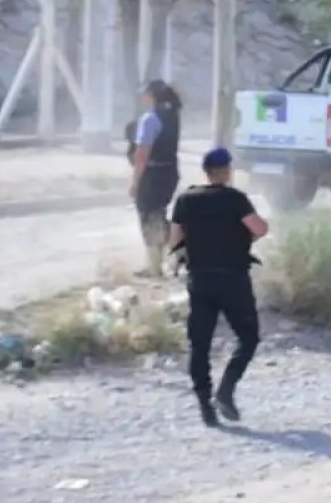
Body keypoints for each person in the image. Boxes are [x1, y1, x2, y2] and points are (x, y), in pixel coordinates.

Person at [169, 147, 269, 427]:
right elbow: (259, 229)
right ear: (226, 170)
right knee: (248, 337)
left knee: (199, 344)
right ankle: (225, 390)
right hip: (233, 279)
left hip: (200, 280)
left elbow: (174, 239)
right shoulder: (235, 199)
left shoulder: (186, 199)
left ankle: (205, 406)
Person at [130, 79, 183, 276]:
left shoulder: (150, 119)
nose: (142, 98)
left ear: (151, 96)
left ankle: (156, 266)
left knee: (148, 218)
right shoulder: (172, 115)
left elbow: (142, 153)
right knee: (157, 215)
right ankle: (179, 250)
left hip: (152, 174)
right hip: (169, 173)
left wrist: (135, 182)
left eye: (145, 94)